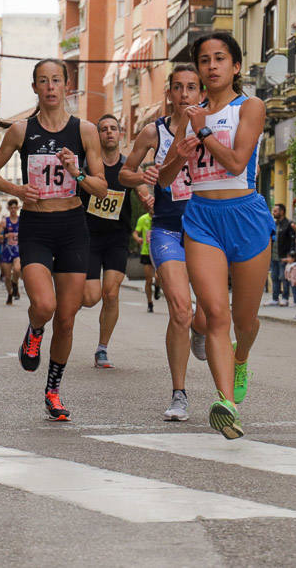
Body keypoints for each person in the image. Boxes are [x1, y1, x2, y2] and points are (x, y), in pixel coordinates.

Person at [159, 32, 272, 440]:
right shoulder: (190, 114)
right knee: (216, 316)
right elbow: (168, 178)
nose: (211, 66)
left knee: (245, 319)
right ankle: (227, 403)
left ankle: (241, 360)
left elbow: (239, 159)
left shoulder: (251, 107)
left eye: (219, 58)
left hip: (246, 215)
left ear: (235, 66)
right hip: (202, 216)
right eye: (204, 59)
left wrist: (204, 132)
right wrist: (181, 154)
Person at [0, 58, 107, 421]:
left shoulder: (85, 131)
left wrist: (76, 171)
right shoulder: (21, 131)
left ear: (66, 85)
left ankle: (53, 391)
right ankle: (34, 329)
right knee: (46, 305)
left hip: (72, 227)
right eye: (42, 81)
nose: (50, 87)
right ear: (34, 87)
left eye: (56, 80)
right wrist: (16, 188)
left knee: (66, 320)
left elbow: (100, 187)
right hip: (36, 227)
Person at [122, 64, 210, 421]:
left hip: (205, 230)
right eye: (179, 87)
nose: (185, 94)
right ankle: (179, 394)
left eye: (192, 87)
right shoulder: (152, 133)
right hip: (167, 229)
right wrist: (141, 178)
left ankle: (201, 333)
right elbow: (125, 173)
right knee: (179, 309)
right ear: (170, 94)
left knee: (205, 315)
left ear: (200, 93)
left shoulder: (213, 128)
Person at [80, 115, 151, 369]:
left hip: (116, 238)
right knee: (90, 298)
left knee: (111, 292)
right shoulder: (89, 165)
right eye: (104, 129)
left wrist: (149, 202)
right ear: (97, 135)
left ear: (120, 134)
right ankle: (69, 299)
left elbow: (143, 191)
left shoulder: (128, 168)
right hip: (88, 236)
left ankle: (102, 348)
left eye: (113, 128)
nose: (109, 132)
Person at [266, 203, 294, 306]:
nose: (274, 213)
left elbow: (292, 241)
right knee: (274, 277)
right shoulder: (274, 224)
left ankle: (285, 298)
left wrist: (290, 255)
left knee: (284, 277)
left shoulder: (288, 224)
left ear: (282, 212)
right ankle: (275, 298)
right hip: (274, 256)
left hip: (283, 256)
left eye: (276, 211)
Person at [133, 210, 158, 311]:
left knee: (158, 276)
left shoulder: (160, 217)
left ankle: (157, 287)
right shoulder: (143, 219)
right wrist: (137, 239)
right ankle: (150, 303)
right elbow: (135, 233)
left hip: (158, 252)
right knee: (148, 279)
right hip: (146, 252)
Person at [0, 199, 21, 304]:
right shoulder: (4, 222)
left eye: (14, 207)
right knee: (7, 277)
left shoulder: (22, 221)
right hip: (6, 251)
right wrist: (5, 235)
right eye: (11, 208)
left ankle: (15, 284)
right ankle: (10, 294)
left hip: (17, 251)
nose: (13, 210)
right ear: (8, 209)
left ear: (17, 208)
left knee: (17, 269)